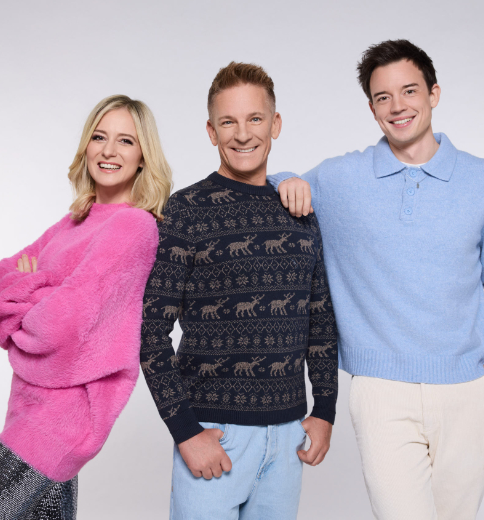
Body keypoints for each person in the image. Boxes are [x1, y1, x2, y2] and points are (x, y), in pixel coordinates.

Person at [271, 40, 484, 519]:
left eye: (409, 91)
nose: (397, 106)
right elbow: (272, 186)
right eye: (383, 97)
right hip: (381, 390)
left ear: (434, 93)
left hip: (466, 387)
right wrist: (286, 176)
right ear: (372, 109)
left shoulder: (483, 181)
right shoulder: (344, 178)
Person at [0, 95, 172, 520]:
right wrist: (47, 292)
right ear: (86, 145)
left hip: (60, 420)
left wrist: (32, 290)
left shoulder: (133, 226)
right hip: (26, 408)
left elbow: (58, 326)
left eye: (125, 141)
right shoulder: (74, 222)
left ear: (143, 156)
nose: (108, 150)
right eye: (99, 137)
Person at [140, 62, 339, 520]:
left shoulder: (300, 211)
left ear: (275, 124)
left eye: (255, 119)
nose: (243, 133)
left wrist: (325, 408)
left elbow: (320, 319)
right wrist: (186, 431)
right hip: (214, 434)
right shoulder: (186, 210)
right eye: (228, 122)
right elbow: (149, 330)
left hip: (288, 435)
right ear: (212, 131)